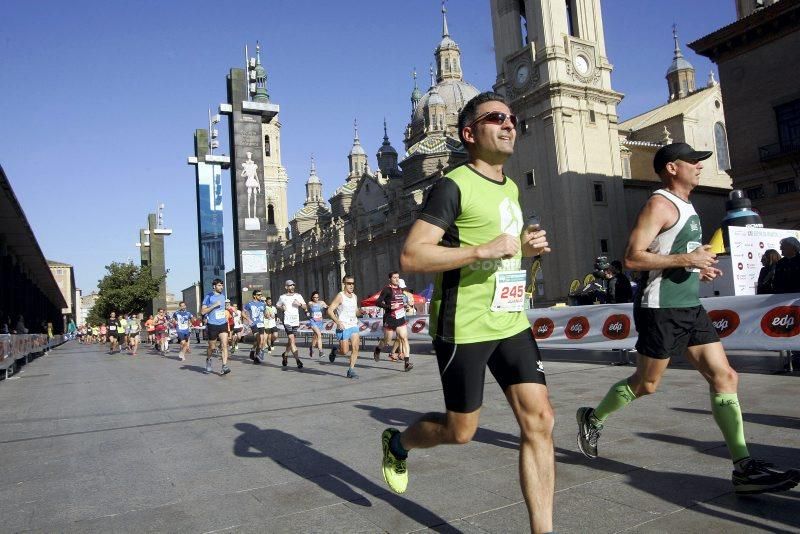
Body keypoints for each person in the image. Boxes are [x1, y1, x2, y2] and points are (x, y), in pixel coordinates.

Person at [575, 142, 799, 495]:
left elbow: (676, 254)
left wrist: (699, 267)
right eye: (692, 161)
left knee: (725, 376)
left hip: (690, 306)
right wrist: (687, 262)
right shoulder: (659, 204)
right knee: (647, 384)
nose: (699, 166)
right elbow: (633, 259)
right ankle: (593, 417)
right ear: (671, 168)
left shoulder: (687, 206)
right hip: (660, 309)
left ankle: (743, 467)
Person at [381, 92, 554, 533]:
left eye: (512, 118)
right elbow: (412, 256)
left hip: (510, 320)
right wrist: (481, 248)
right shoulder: (452, 184)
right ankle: (399, 443)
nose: (509, 124)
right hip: (464, 324)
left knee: (541, 421)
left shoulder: (511, 187)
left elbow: (501, 255)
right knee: (461, 432)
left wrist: (525, 250)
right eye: (496, 118)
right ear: (469, 133)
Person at [373, 272, 413, 371]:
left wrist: (404, 306)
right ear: (390, 279)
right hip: (390, 318)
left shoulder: (400, 289)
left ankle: (407, 363)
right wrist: (389, 307)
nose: (396, 279)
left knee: (404, 338)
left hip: (400, 318)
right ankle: (378, 349)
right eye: (394, 277)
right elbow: (377, 302)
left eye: (398, 277)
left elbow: (399, 301)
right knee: (387, 340)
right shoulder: (386, 290)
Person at [327, 275, 363, 378]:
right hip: (343, 326)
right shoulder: (340, 296)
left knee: (356, 348)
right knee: (344, 351)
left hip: (353, 325)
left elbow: (356, 312)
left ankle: (351, 370)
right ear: (344, 284)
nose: (351, 286)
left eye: (353, 283)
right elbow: (329, 310)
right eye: (349, 283)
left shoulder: (355, 296)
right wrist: (338, 322)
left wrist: (362, 311)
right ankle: (335, 351)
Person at [201, 279, 231, 375]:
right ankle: (208, 359)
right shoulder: (208, 296)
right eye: (219, 285)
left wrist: (227, 313)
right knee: (212, 347)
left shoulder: (223, 296)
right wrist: (214, 305)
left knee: (224, 345)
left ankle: (224, 366)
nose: (221, 287)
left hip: (222, 323)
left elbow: (223, 308)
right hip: (212, 324)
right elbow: (202, 312)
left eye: (222, 285)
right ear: (214, 286)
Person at [276, 280, 307, 369]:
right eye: (290, 285)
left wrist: (300, 304)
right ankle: (298, 360)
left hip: (295, 321)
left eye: (293, 285)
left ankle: (285, 355)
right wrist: (282, 307)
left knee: (291, 341)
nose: (292, 287)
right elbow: (277, 305)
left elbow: (305, 307)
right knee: (292, 339)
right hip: (287, 321)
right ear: (286, 287)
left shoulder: (298, 296)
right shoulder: (282, 297)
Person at [243, 291, 266, 364]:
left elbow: (265, 313)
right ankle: (257, 356)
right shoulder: (249, 304)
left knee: (260, 341)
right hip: (254, 324)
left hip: (261, 324)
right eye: (258, 295)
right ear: (254, 296)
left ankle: (253, 351)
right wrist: (248, 320)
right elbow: (243, 313)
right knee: (259, 339)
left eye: (261, 295)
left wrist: (268, 315)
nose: (260, 296)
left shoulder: (263, 304)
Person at [307, 291, 328, 358]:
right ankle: (321, 352)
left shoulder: (322, 302)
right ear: (312, 297)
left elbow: (327, 307)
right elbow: (309, 307)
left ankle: (312, 347)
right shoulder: (310, 303)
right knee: (319, 334)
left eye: (317, 297)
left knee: (316, 336)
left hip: (320, 322)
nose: (316, 299)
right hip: (313, 321)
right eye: (314, 297)